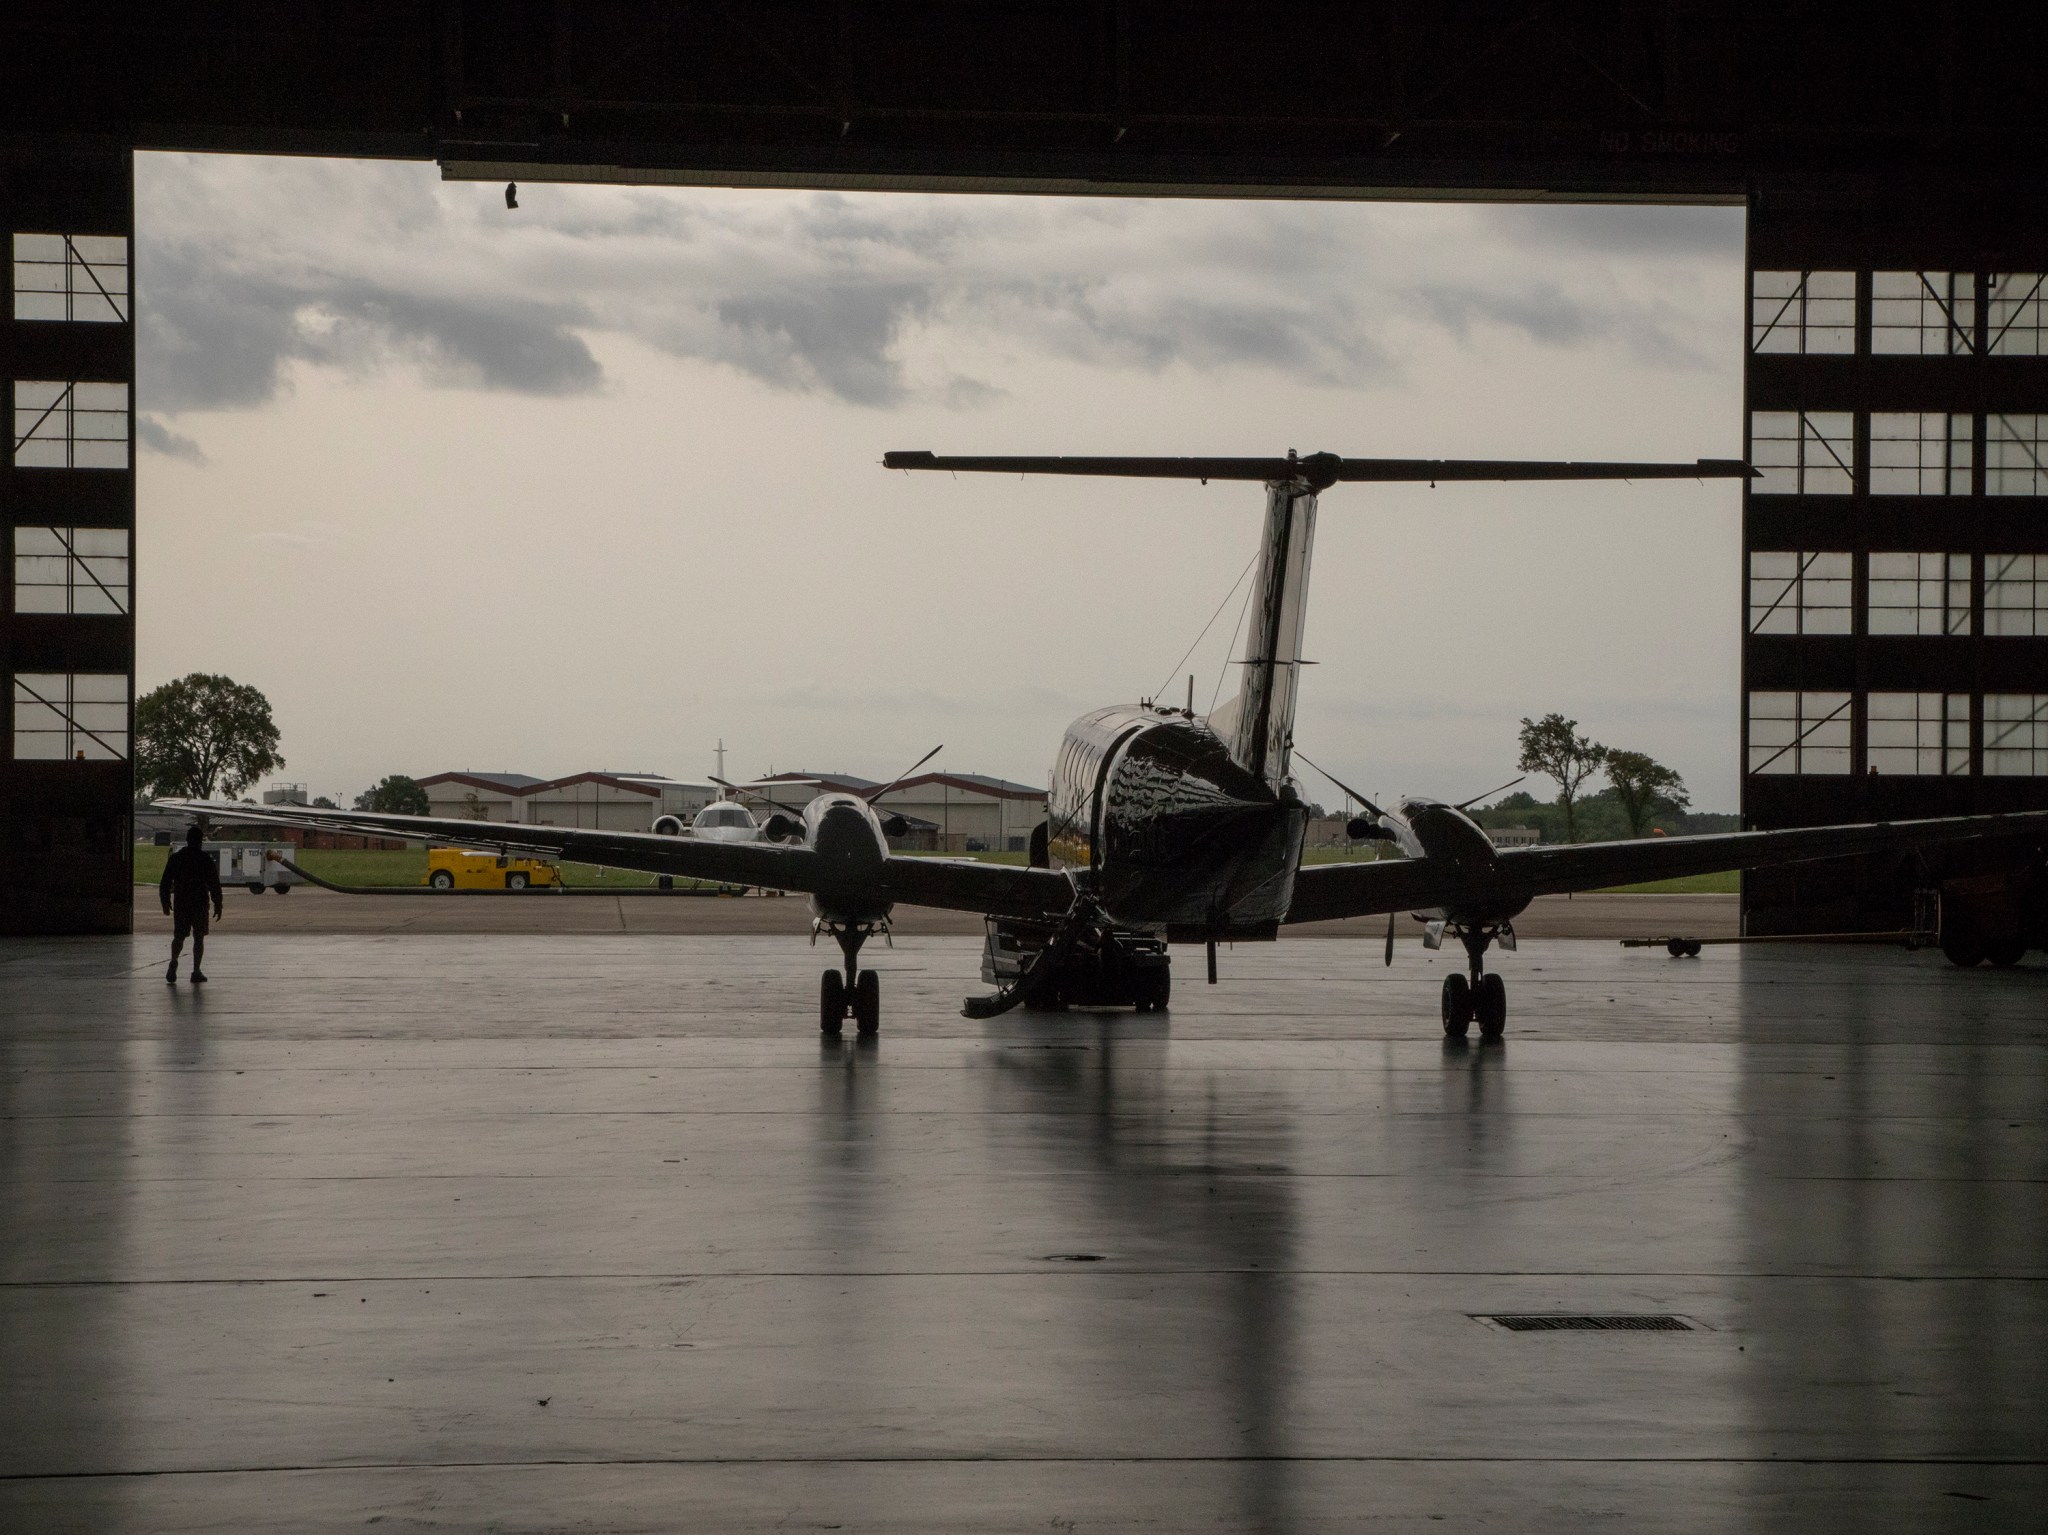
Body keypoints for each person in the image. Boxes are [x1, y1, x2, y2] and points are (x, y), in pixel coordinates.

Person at [160, 825, 223, 984]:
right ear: (200, 841)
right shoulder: (205, 859)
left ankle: (174, 961)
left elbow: (165, 882)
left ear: (187, 840)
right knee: (199, 938)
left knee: (179, 936)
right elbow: (214, 884)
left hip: (182, 902)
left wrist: (165, 902)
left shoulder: (177, 858)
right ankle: (196, 971)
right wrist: (218, 904)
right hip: (200, 903)